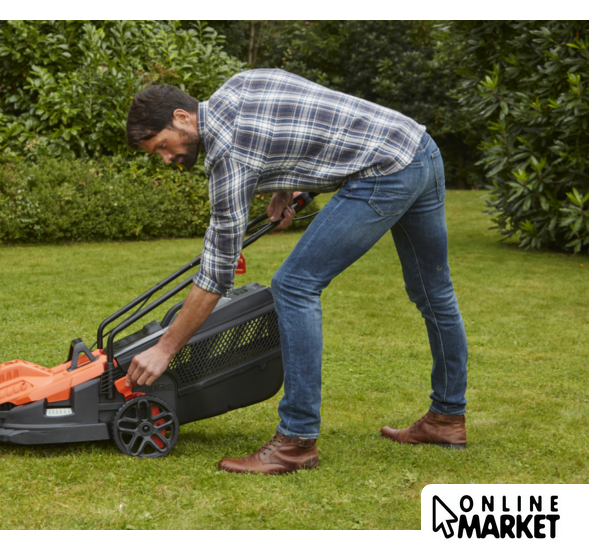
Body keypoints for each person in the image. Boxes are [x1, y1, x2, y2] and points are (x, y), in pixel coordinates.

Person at [123, 69, 468, 475]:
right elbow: (306, 115)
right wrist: (284, 186)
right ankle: (447, 418)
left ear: (182, 117)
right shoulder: (239, 86)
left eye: (163, 146)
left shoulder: (227, 156)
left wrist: (165, 349)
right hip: (419, 148)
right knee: (433, 291)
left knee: (294, 285)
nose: (167, 159)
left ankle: (296, 441)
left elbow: (216, 273)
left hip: (386, 171)